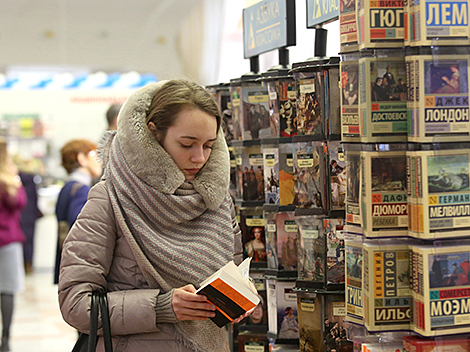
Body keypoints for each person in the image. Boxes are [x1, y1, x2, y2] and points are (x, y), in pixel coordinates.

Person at [58, 80, 253, 352]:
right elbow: (76, 305)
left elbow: (233, 275)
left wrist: (237, 300)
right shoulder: (110, 199)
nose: (199, 158)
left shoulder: (216, 202)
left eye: (209, 146)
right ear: (152, 136)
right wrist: (161, 306)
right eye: (187, 144)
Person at [53, 139, 102, 284]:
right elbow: (81, 226)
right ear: (81, 159)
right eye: (93, 154)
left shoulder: (68, 186)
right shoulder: (82, 189)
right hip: (80, 263)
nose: (99, 160)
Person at [0, 139, 27, 352]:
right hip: (7, 240)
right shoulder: (7, 180)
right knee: (7, 290)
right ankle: (6, 339)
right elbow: (19, 202)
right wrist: (14, 178)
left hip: (7, 241)